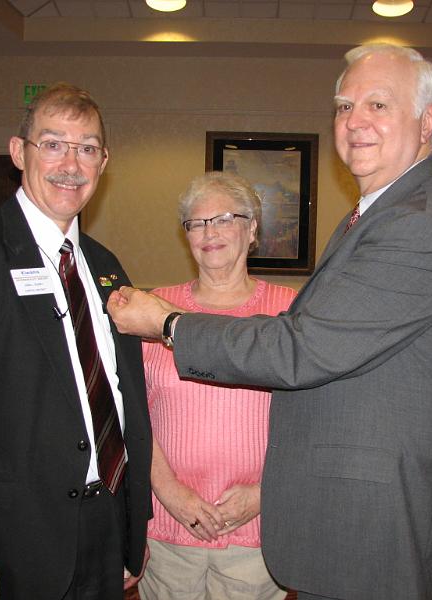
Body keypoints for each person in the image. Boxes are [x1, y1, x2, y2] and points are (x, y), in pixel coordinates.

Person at [107, 43, 432, 600]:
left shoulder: (419, 225)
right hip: (337, 513)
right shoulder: (378, 215)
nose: (355, 121)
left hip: (376, 524)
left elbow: (300, 350)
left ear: (428, 121)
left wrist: (169, 324)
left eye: (378, 104)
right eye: (344, 106)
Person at [0, 83, 152, 600]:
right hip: (15, 536)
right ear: (19, 152)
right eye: (53, 144)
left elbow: (124, 398)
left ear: (103, 163)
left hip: (106, 519)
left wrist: (131, 527)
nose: (71, 165)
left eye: (87, 148)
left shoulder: (105, 265)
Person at [138, 171, 295, 600]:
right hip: (168, 528)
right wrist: (170, 492)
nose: (210, 232)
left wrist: (263, 494)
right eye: (197, 223)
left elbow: (315, 423)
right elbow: (132, 414)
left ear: (252, 229)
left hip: (258, 529)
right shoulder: (152, 310)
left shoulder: (290, 313)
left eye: (225, 219)